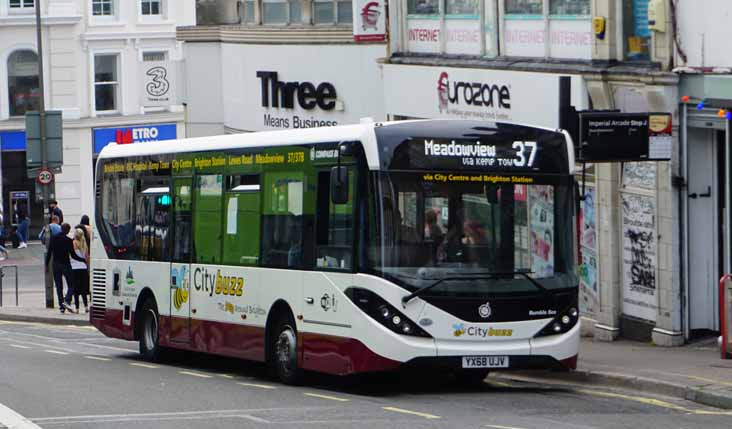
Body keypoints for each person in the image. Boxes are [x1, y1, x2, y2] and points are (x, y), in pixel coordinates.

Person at [45, 223, 86, 314]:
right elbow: (73, 255)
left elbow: (49, 252)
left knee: (59, 286)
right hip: (66, 264)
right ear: (67, 230)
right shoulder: (68, 240)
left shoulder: (54, 238)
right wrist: (83, 260)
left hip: (56, 265)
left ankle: (61, 307)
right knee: (71, 284)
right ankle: (66, 300)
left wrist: (47, 265)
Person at [70, 227, 90, 313]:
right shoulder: (84, 244)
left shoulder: (73, 243)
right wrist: (88, 267)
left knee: (75, 288)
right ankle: (86, 306)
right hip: (83, 267)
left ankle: (77, 308)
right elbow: (87, 258)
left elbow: (70, 255)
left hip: (74, 267)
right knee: (83, 289)